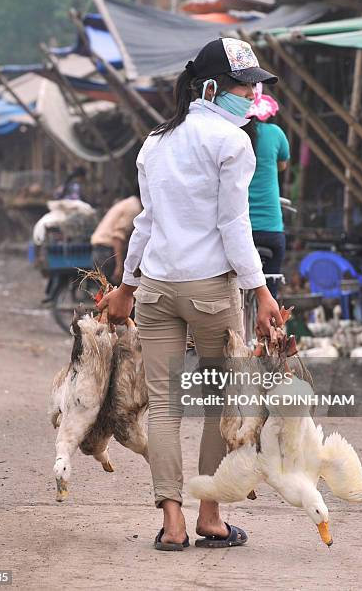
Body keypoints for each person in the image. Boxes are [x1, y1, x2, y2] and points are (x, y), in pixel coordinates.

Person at [98, 38, 282, 550]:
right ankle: (210, 516)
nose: (252, 96)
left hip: (156, 289)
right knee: (219, 403)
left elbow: (145, 224)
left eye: (255, 88)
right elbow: (234, 226)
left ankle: (172, 524)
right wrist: (261, 292)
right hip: (210, 291)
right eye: (245, 87)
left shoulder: (155, 142)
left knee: (165, 407)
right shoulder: (231, 142)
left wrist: (125, 288)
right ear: (211, 88)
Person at [247, 89, 289, 297]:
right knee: (271, 285)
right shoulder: (276, 133)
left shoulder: (233, 134)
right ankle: (271, 321)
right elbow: (282, 165)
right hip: (272, 231)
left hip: (240, 231)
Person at [90, 195, 142, 285]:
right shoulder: (134, 208)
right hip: (108, 252)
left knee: (106, 293)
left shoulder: (126, 203)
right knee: (114, 291)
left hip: (99, 250)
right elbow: (117, 237)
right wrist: (119, 266)